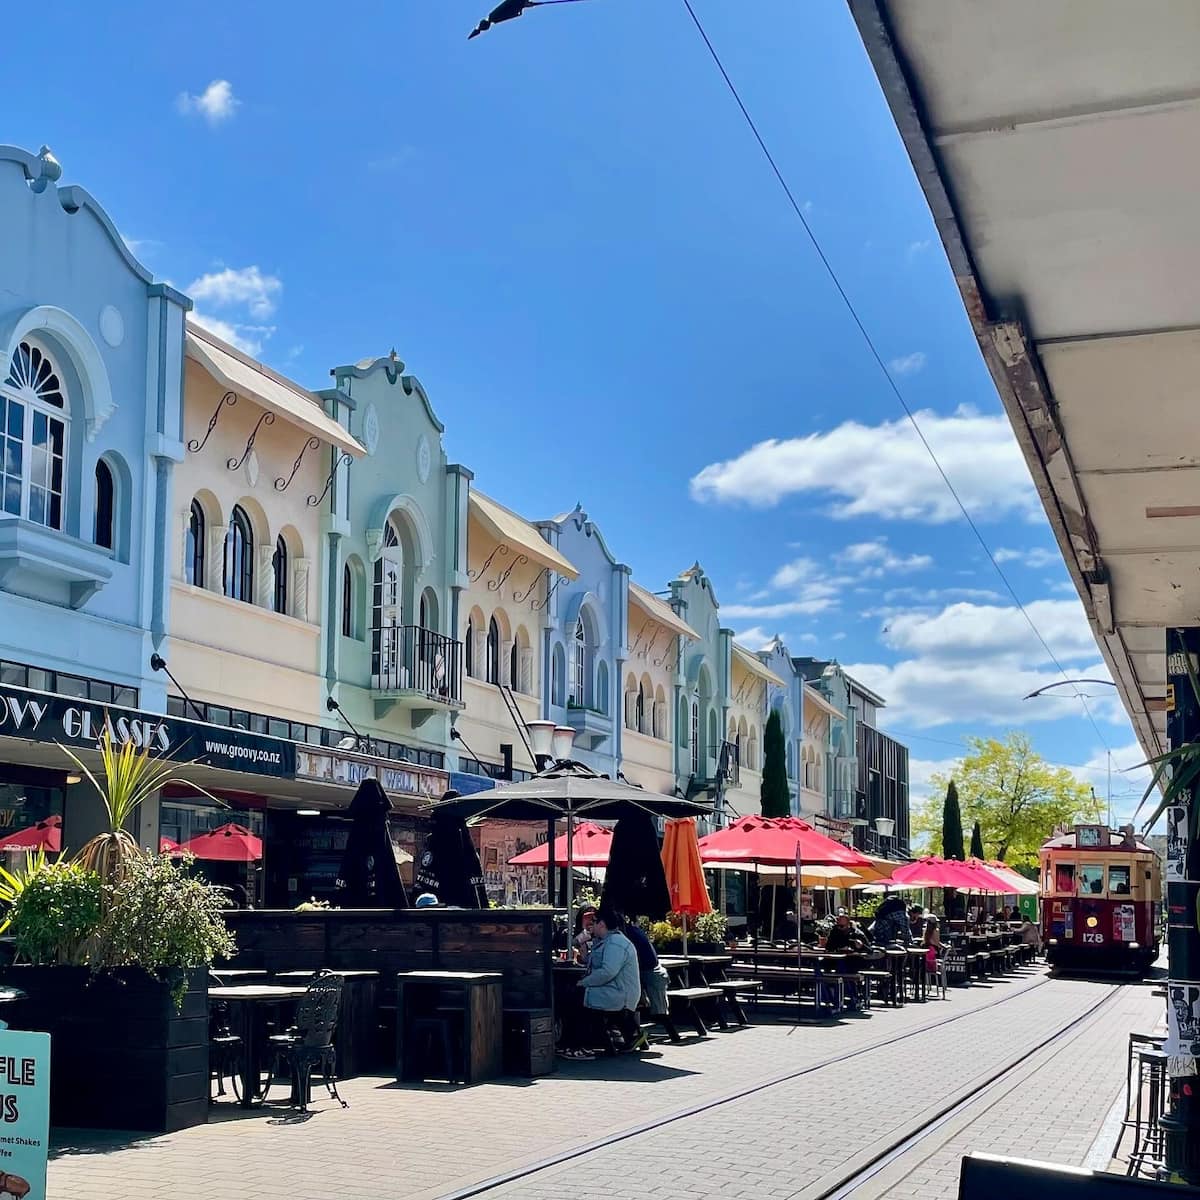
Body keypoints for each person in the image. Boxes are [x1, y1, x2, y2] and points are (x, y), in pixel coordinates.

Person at [571, 910, 641, 1059]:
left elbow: (608, 971)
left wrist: (584, 982)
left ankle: (583, 1046)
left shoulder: (616, 943)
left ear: (602, 924)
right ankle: (583, 1044)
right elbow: (598, 965)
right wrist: (584, 955)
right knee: (575, 995)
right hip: (613, 989)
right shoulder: (606, 941)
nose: (591, 927)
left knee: (576, 998)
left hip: (619, 994)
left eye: (593, 923)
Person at [623, 917, 669, 1018]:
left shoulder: (626, 935)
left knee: (660, 1014)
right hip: (648, 971)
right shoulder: (634, 930)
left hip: (651, 972)